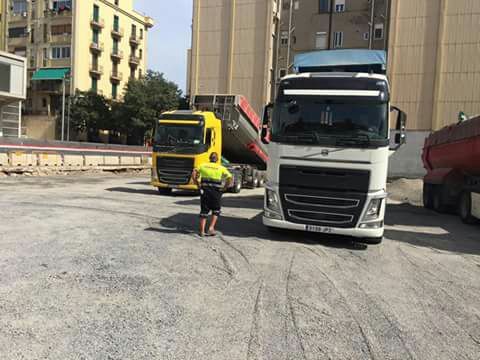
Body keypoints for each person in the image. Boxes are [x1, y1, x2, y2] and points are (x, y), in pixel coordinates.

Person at [192, 152, 233, 237]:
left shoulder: (203, 165)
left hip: (205, 191)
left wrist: (197, 183)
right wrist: (225, 187)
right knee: (216, 210)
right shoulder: (220, 167)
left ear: (209, 158)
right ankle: (211, 228)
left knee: (204, 210)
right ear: (217, 159)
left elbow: (194, 173)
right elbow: (230, 177)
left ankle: (202, 231)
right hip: (216, 192)